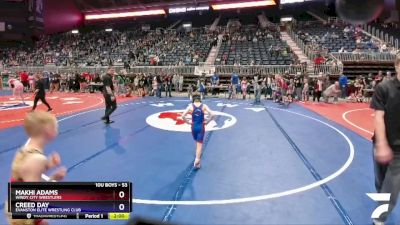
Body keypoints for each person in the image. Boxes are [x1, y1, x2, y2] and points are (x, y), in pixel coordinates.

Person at [4, 111, 66, 225]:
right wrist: (54, 178)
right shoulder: (36, 159)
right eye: (55, 127)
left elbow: (25, 173)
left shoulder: (26, 150)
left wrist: (48, 165)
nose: (57, 130)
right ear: (47, 130)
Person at [370, 54, 400, 225]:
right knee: (380, 182)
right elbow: (379, 116)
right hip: (382, 143)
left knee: (392, 188)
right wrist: (381, 144)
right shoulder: (384, 87)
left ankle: (378, 220)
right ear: (397, 66)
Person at [181, 93, 215, 169]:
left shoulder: (190, 106)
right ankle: (197, 162)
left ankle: (197, 154)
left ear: (192, 99)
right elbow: (212, 115)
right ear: (200, 98)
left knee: (196, 141)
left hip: (193, 127)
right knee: (200, 145)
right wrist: (207, 121)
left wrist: (188, 122)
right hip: (201, 127)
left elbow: (183, 116)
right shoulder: (204, 106)